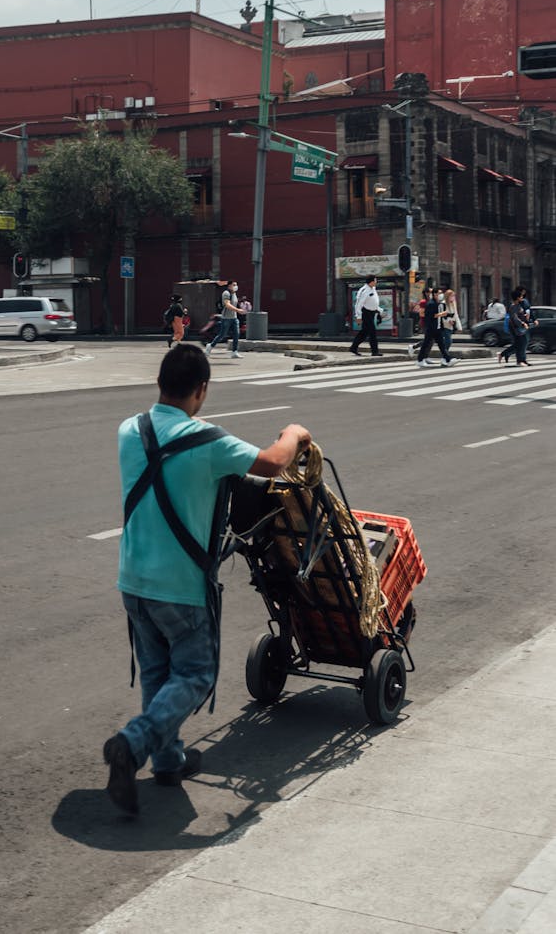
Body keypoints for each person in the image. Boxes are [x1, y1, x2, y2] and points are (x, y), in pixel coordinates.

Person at [103, 343, 311, 814]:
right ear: (201, 390)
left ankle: (168, 760)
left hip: (133, 580)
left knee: (158, 674)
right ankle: (133, 744)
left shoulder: (128, 431)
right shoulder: (208, 443)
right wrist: (294, 433)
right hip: (180, 586)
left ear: (159, 383)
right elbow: (273, 463)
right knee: (195, 675)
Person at [205, 280, 245, 358]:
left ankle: (234, 352)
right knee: (222, 335)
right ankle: (210, 346)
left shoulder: (234, 294)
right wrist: (238, 310)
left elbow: (235, 304)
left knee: (236, 334)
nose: (236, 286)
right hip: (226, 318)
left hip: (234, 318)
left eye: (236, 285)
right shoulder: (226, 293)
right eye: (234, 285)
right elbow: (227, 305)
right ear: (229, 286)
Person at [416, 288, 449, 367]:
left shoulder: (438, 303)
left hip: (436, 327)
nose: (441, 295)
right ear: (434, 294)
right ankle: (420, 359)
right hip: (431, 327)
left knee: (440, 344)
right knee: (426, 343)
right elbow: (429, 315)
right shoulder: (430, 303)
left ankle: (447, 359)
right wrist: (442, 314)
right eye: (439, 293)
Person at [349, 275, 381, 356]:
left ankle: (353, 347)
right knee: (372, 332)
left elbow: (374, 301)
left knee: (364, 332)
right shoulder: (364, 290)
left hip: (372, 313)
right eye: (375, 281)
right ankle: (375, 351)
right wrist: (358, 316)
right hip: (365, 313)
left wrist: (380, 310)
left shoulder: (373, 289)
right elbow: (358, 304)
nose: (376, 282)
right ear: (371, 282)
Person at [498, 288, 531, 366]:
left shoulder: (518, 305)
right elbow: (514, 318)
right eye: (521, 296)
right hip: (515, 328)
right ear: (517, 298)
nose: (522, 298)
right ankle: (519, 361)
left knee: (520, 344)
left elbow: (519, 315)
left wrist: (525, 316)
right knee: (520, 344)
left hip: (519, 328)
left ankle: (505, 355)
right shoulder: (513, 306)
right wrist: (523, 323)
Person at [438, 289, 461, 365]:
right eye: (452, 296)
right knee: (448, 341)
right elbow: (441, 316)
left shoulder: (453, 304)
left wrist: (458, 326)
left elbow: (456, 314)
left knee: (444, 342)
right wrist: (448, 320)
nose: (453, 297)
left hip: (450, 326)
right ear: (448, 296)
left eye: (454, 296)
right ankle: (445, 358)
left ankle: (444, 358)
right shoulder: (443, 304)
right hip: (444, 326)